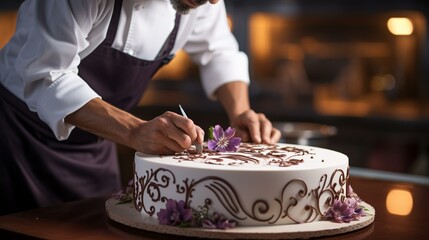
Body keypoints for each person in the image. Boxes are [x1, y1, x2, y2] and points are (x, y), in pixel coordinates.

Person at [0, 0, 281, 215]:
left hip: (97, 144)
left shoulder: (201, 1)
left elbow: (219, 52)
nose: (213, 3)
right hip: (20, 139)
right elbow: (46, 76)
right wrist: (134, 131)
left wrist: (241, 111)